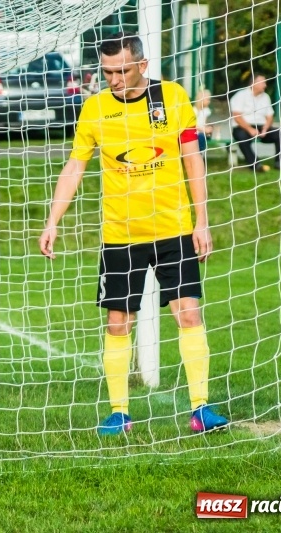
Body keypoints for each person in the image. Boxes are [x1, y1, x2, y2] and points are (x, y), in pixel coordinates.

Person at [38, 32, 228, 436]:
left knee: (189, 313)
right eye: (107, 72)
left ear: (142, 66)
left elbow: (192, 159)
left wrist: (202, 219)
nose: (114, 79)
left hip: (173, 229)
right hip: (120, 235)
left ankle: (200, 409)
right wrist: (53, 220)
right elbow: (75, 167)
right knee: (117, 322)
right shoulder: (94, 109)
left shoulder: (173, 98)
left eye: (122, 70)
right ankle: (119, 412)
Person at [229, 74, 281, 171]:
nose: (265, 85)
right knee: (242, 137)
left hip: (261, 127)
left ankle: (280, 162)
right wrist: (250, 129)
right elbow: (237, 116)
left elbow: (269, 115)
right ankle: (255, 164)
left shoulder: (266, 97)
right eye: (263, 82)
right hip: (243, 127)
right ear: (253, 83)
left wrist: (265, 128)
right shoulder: (240, 95)